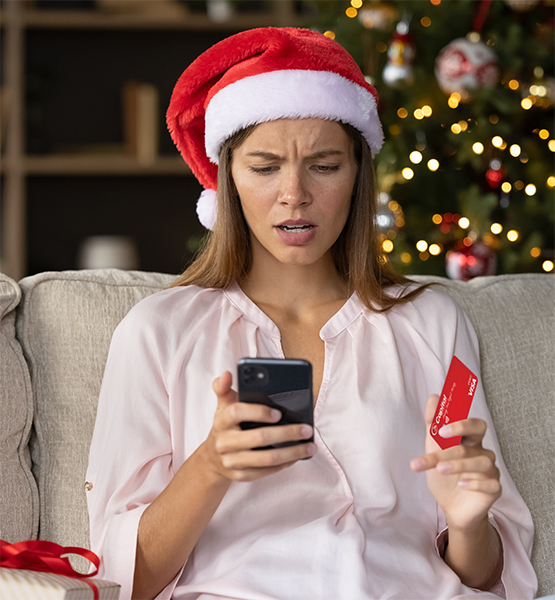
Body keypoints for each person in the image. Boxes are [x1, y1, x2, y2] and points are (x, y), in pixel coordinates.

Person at [86, 27, 537, 600]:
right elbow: (123, 581)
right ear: (227, 180)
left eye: (324, 166)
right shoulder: (158, 332)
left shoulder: (432, 323)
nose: (294, 194)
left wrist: (470, 522)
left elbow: (485, 577)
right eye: (265, 166)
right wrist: (211, 466)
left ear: (357, 177)